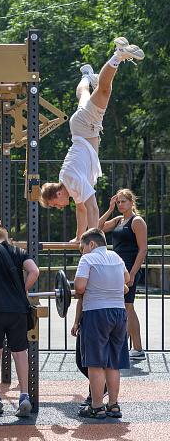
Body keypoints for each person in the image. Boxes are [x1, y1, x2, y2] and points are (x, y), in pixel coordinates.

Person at [39, 37, 144, 242]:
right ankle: (87, 75)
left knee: (104, 91)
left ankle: (118, 54)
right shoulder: (70, 186)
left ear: (58, 195)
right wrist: (79, 238)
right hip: (82, 129)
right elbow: (82, 210)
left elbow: (93, 208)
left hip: (86, 127)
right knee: (83, 95)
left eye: (55, 205)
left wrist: (93, 241)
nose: (59, 208)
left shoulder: (71, 180)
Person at [0, 226, 40, 417]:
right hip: (18, 309)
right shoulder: (18, 251)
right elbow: (34, 271)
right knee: (20, 352)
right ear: (7, 238)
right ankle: (24, 395)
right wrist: (23, 289)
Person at [71, 228, 130, 419]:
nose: (82, 252)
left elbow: (79, 286)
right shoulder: (116, 257)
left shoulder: (88, 259)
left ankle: (96, 406)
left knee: (95, 363)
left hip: (96, 313)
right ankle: (113, 405)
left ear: (92, 244)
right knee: (113, 363)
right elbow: (126, 280)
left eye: (83, 248)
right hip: (119, 313)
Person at [98, 189, 147, 361]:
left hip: (130, 269)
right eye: (118, 202)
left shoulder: (137, 221)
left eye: (123, 201)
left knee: (127, 306)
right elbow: (97, 228)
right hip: (117, 269)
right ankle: (135, 348)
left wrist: (132, 274)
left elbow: (143, 250)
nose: (120, 204)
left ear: (131, 202)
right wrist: (110, 209)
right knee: (127, 307)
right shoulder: (119, 220)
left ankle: (131, 348)